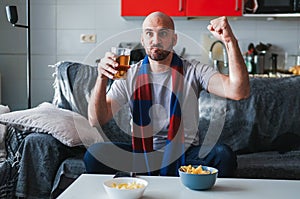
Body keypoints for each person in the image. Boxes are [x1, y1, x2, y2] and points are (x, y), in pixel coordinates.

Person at [84, 11, 250, 177]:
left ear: (174, 39)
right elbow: (96, 119)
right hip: (142, 152)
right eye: (149, 33)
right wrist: (102, 77)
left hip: (185, 154)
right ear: (143, 40)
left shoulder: (193, 70)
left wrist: (229, 41)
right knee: (94, 154)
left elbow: (239, 91)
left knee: (223, 155)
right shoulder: (130, 74)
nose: (156, 40)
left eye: (163, 33)